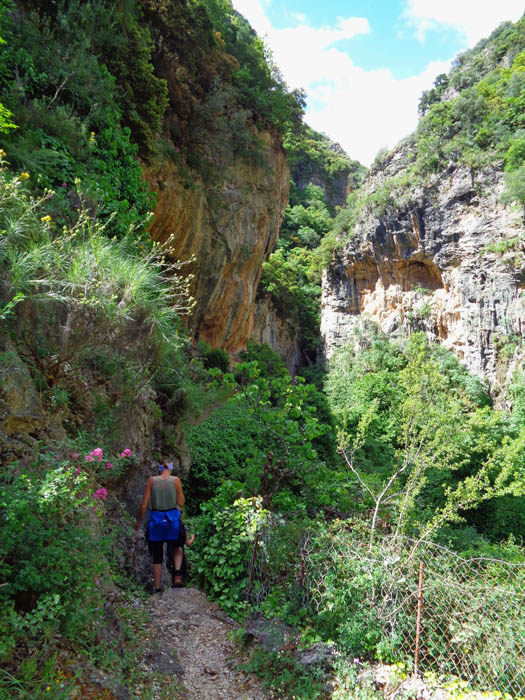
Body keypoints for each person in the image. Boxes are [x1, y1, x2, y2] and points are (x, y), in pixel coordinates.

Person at [134, 458, 187, 591]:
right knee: (178, 547)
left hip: (156, 521)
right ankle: (177, 577)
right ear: (170, 468)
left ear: (160, 468)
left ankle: (157, 588)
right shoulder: (176, 480)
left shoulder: (152, 480)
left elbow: (144, 505)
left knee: (157, 555)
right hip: (172, 520)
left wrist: (138, 522)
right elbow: (181, 502)